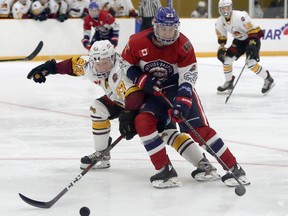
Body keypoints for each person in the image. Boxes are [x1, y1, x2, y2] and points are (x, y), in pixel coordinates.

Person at [26, 40, 220, 188]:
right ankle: (102, 155)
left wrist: (129, 117)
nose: (100, 65)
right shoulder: (92, 66)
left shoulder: (122, 70)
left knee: (167, 134)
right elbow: (71, 65)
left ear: (113, 58)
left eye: (104, 61)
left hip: (147, 102)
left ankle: (203, 165)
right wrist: (48, 68)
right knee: (97, 108)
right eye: (97, 61)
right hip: (120, 100)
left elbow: (135, 98)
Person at [121, 6, 250, 188]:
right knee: (143, 122)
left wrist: (182, 101)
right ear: (155, 26)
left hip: (176, 88)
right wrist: (142, 79)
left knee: (198, 128)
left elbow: (188, 77)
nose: (168, 33)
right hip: (153, 92)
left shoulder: (184, 45)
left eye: (172, 29)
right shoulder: (136, 41)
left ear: (177, 27)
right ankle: (165, 171)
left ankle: (233, 167)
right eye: (164, 28)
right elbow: (125, 64)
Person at [216, 0, 275, 95]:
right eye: (222, 8)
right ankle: (229, 82)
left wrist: (251, 44)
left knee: (251, 63)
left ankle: (268, 79)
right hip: (239, 42)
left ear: (231, 7)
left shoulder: (240, 16)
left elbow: (253, 31)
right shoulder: (219, 21)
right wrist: (221, 49)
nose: (225, 10)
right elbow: (222, 38)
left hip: (252, 39)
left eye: (227, 7)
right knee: (226, 60)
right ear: (219, 9)